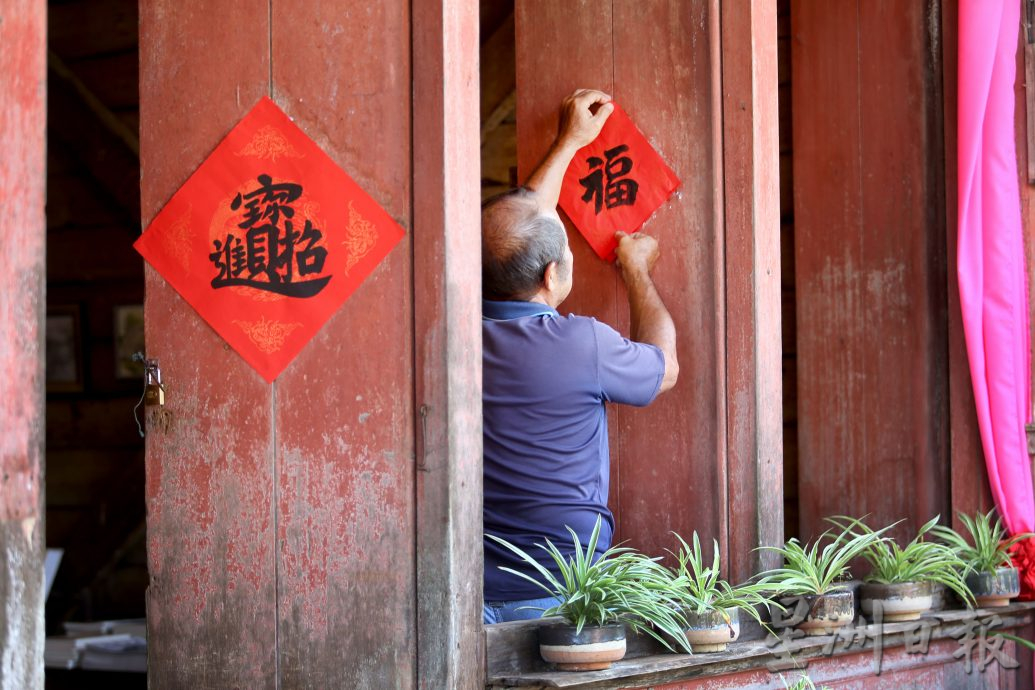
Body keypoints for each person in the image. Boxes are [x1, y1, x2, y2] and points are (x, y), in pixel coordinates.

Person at [481, 89, 680, 625]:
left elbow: (519, 224)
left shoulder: (457, 339)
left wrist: (569, 142)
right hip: (560, 593)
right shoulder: (581, 343)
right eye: (565, 249)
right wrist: (637, 269)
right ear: (552, 276)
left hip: (469, 591)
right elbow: (665, 367)